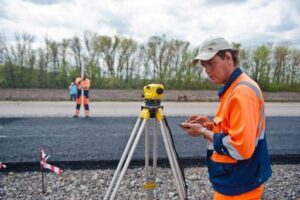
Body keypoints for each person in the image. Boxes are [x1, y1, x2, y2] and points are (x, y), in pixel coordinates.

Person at [180, 37, 272, 200]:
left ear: (228, 58)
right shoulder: (234, 87)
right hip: (235, 180)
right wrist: (208, 126)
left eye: (212, 63)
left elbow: (240, 148)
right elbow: (231, 130)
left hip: (241, 185)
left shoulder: (242, 92)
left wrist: (201, 132)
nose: (207, 70)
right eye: (204, 66)